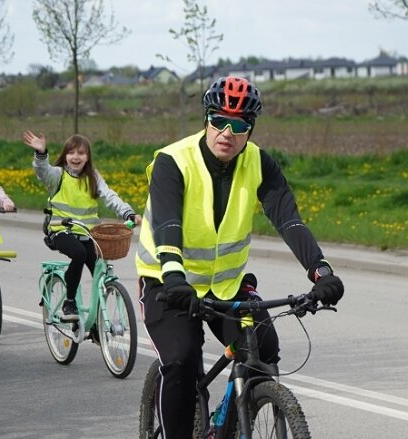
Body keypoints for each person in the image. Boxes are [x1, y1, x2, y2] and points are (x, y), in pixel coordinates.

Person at [134, 76, 345, 437]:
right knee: (182, 358)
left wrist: (320, 270)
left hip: (225, 287)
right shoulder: (174, 161)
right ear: (206, 119)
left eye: (239, 125)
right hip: (167, 284)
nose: (227, 133)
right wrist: (173, 276)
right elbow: (168, 224)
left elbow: (288, 219)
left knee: (263, 347)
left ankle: (235, 419)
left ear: (250, 128)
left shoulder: (259, 163)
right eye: (219, 120)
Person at [22, 130, 141, 321]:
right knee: (79, 254)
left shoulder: (93, 177)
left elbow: (110, 196)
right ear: (65, 155)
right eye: (71, 153)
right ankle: (69, 302)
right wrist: (41, 154)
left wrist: (128, 212)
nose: (76, 157)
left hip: (87, 233)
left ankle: (96, 324)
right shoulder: (58, 175)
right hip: (60, 230)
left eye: (81, 153)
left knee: (99, 269)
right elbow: (42, 172)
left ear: (88, 157)